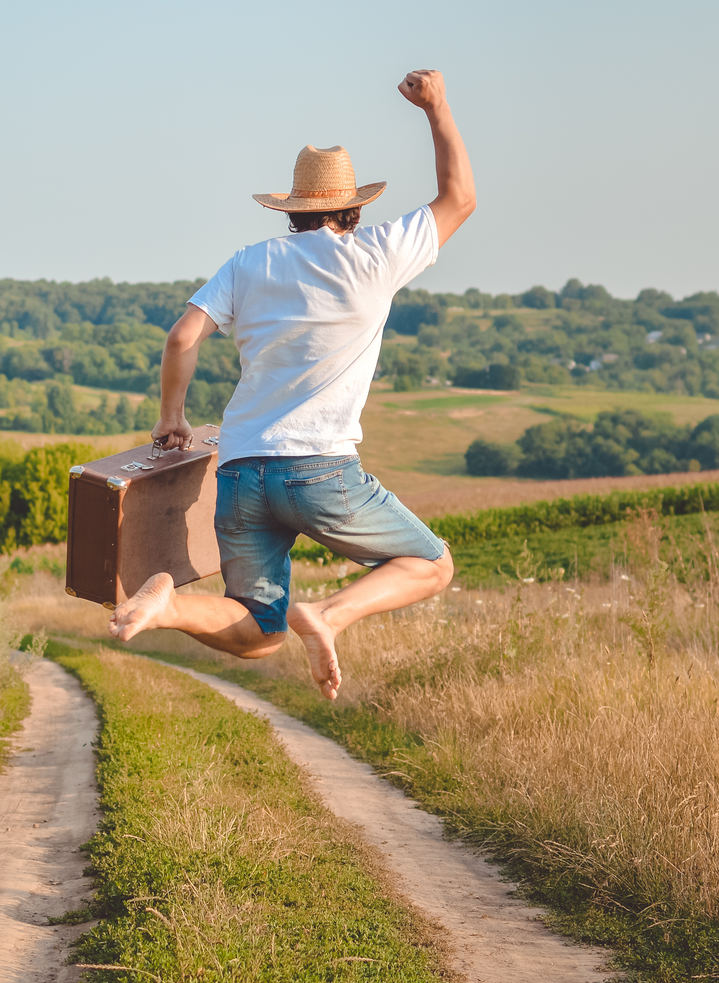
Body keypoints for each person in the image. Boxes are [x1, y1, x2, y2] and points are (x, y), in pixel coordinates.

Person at [108, 68, 475, 698]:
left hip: (243, 468)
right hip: (320, 471)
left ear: (295, 210)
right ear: (354, 207)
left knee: (259, 629)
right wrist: (436, 108)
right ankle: (329, 616)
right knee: (431, 564)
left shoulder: (249, 262)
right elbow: (460, 197)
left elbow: (180, 337)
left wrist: (173, 415)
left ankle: (167, 608)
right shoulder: (376, 255)